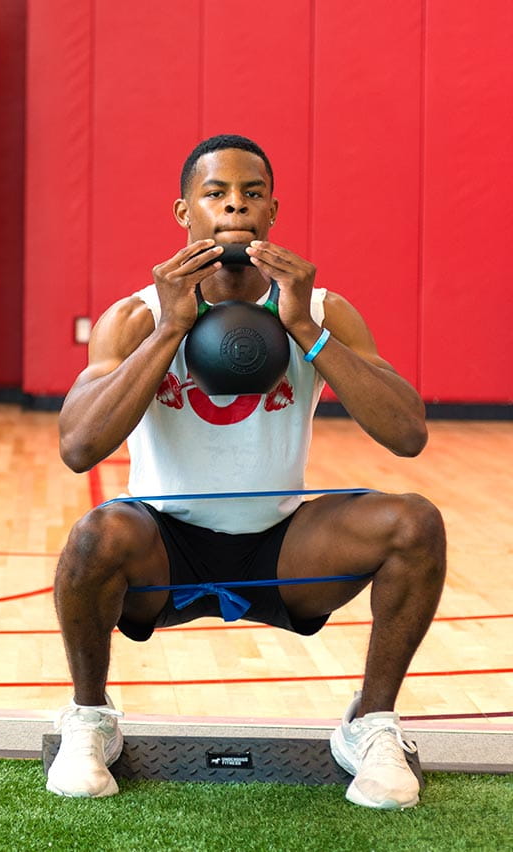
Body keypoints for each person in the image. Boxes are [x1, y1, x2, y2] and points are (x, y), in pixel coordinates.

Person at [47, 134, 445, 810]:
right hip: (162, 547)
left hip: (280, 547)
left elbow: (407, 433)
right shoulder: (136, 316)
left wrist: (301, 327)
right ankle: (91, 719)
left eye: (252, 193)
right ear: (185, 213)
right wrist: (172, 329)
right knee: (92, 536)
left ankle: (370, 724)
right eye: (216, 193)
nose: (236, 204)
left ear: (272, 211)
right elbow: (79, 446)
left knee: (414, 524)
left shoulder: (321, 311)